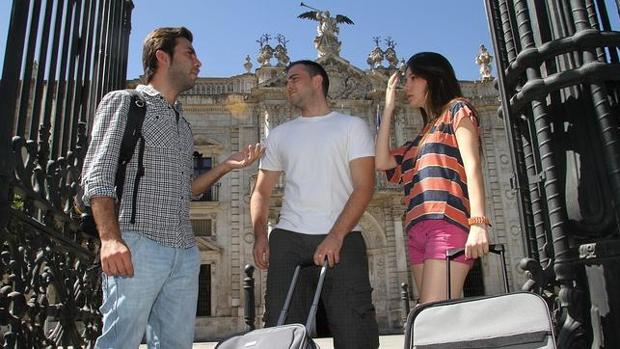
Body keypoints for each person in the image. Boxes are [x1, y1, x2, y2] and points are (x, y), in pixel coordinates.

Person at [81, 27, 263, 348]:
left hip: (184, 251)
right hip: (138, 243)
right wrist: (110, 239)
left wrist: (225, 165)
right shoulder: (126, 102)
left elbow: (187, 191)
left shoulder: (182, 124)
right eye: (189, 54)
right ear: (162, 57)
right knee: (120, 341)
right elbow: (98, 173)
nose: (198, 62)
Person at [251, 60, 379, 349]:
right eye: (286, 81)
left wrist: (335, 235)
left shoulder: (351, 127)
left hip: (344, 238)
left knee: (356, 331)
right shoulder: (280, 134)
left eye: (294, 78)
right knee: (280, 332)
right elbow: (261, 191)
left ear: (318, 81)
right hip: (288, 240)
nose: (288, 85)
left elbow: (365, 186)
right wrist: (260, 234)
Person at [375, 52, 490, 304]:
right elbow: (381, 161)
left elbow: (472, 166)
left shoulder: (458, 109)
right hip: (417, 232)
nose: (407, 86)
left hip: (446, 225)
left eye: (413, 78)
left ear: (434, 78)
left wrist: (478, 223)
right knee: (435, 317)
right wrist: (388, 108)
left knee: (432, 314)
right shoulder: (419, 140)